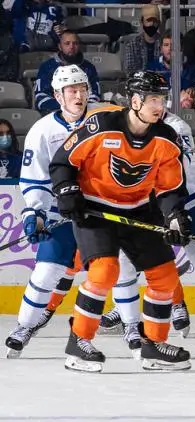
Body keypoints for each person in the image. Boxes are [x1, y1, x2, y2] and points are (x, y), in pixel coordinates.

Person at [49, 71, 191, 372]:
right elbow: (64, 161)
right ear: (136, 100)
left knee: (165, 276)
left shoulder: (166, 138)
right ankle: (78, 342)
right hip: (95, 209)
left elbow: (169, 187)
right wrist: (67, 190)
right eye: (153, 99)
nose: (160, 105)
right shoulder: (100, 125)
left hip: (139, 209)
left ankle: (152, 346)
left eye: (162, 98)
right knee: (104, 271)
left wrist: (175, 215)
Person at [94, 105, 195, 341]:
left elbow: (176, 170)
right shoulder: (126, 128)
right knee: (146, 257)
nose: (155, 107)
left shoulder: (178, 127)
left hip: (192, 196)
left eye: (158, 101)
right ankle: (173, 303)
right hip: (154, 199)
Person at [4, 65, 92, 358]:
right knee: (45, 273)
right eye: (72, 90)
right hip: (61, 214)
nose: (79, 95)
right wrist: (36, 213)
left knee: (116, 272)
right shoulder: (43, 130)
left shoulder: (101, 122)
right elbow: (34, 178)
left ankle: (129, 326)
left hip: (98, 213)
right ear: (57, 95)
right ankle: (24, 327)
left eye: (83, 88)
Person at [34, 30, 101, 114]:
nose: (72, 46)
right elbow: (41, 98)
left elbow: (95, 95)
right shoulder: (47, 67)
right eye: (67, 43)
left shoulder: (89, 67)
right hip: (55, 113)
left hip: (84, 113)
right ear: (60, 46)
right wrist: (68, 106)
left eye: (75, 43)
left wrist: (81, 107)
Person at [146, 32, 195, 110]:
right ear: (161, 49)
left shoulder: (193, 69)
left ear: (181, 48)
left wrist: (193, 91)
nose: (170, 48)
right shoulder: (151, 68)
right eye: (166, 45)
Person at [123, 5, 162, 75]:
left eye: (155, 21)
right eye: (149, 20)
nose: (152, 24)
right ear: (142, 22)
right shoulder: (132, 45)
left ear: (159, 23)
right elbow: (130, 71)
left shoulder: (165, 43)